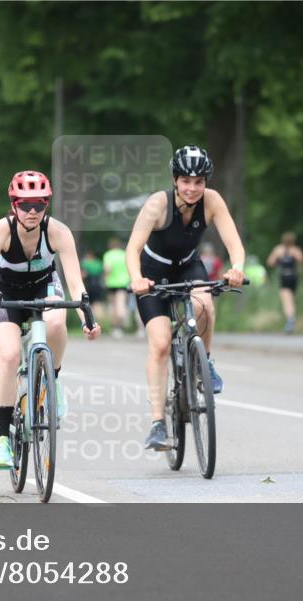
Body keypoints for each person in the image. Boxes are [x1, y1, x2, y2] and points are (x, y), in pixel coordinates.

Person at [0, 171, 101, 469]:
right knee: (8, 355)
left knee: (57, 323)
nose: (32, 211)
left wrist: (87, 316)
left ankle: (53, 378)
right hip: (7, 294)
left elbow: (75, 281)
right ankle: (2, 442)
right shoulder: (0, 231)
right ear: (14, 204)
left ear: (47, 204)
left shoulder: (58, 231)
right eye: (25, 205)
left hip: (44, 286)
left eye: (40, 205)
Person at [126, 145, 246, 450]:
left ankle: (203, 362)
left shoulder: (212, 201)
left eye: (199, 181)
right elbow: (132, 248)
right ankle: (157, 424)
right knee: (161, 344)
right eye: (186, 181)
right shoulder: (158, 204)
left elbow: (233, 241)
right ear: (175, 180)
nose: (193, 188)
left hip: (187, 266)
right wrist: (137, 279)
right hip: (152, 274)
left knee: (205, 303)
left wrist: (237, 268)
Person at [266, 232, 303, 333]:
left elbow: (270, 262)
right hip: (294, 276)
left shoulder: (279, 249)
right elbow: (301, 260)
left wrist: (278, 261)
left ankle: (290, 320)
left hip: (284, 276)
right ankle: (291, 319)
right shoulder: (296, 250)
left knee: (287, 300)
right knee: (291, 299)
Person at [102, 237, 130, 338]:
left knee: (113, 306)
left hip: (111, 283)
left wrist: (105, 279)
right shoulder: (124, 254)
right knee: (121, 304)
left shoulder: (108, 255)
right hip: (123, 283)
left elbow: (107, 269)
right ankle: (121, 322)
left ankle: (116, 327)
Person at [80, 250, 107, 326]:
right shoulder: (98, 263)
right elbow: (103, 273)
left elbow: (83, 275)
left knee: (88, 306)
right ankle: (102, 325)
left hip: (88, 286)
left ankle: (91, 324)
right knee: (98, 305)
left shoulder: (85, 264)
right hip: (97, 286)